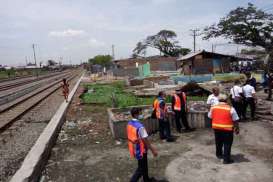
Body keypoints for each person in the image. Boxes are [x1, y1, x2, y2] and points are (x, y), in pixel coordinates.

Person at [127, 107, 158, 182]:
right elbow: (145, 140)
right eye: (140, 113)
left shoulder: (130, 123)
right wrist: (153, 150)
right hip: (141, 149)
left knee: (144, 165)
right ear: (136, 114)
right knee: (141, 168)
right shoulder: (140, 127)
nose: (141, 114)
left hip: (133, 147)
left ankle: (146, 179)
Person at [208, 94, 240, 164]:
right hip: (227, 129)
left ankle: (219, 154)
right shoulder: (230, 108)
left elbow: (210, 116)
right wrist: (237, 128)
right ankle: (226, 159)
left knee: (218, 142)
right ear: (226, 100)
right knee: (227, 143)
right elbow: (235, 120)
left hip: (216, 128)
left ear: (219, 100)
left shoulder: (213, 107)